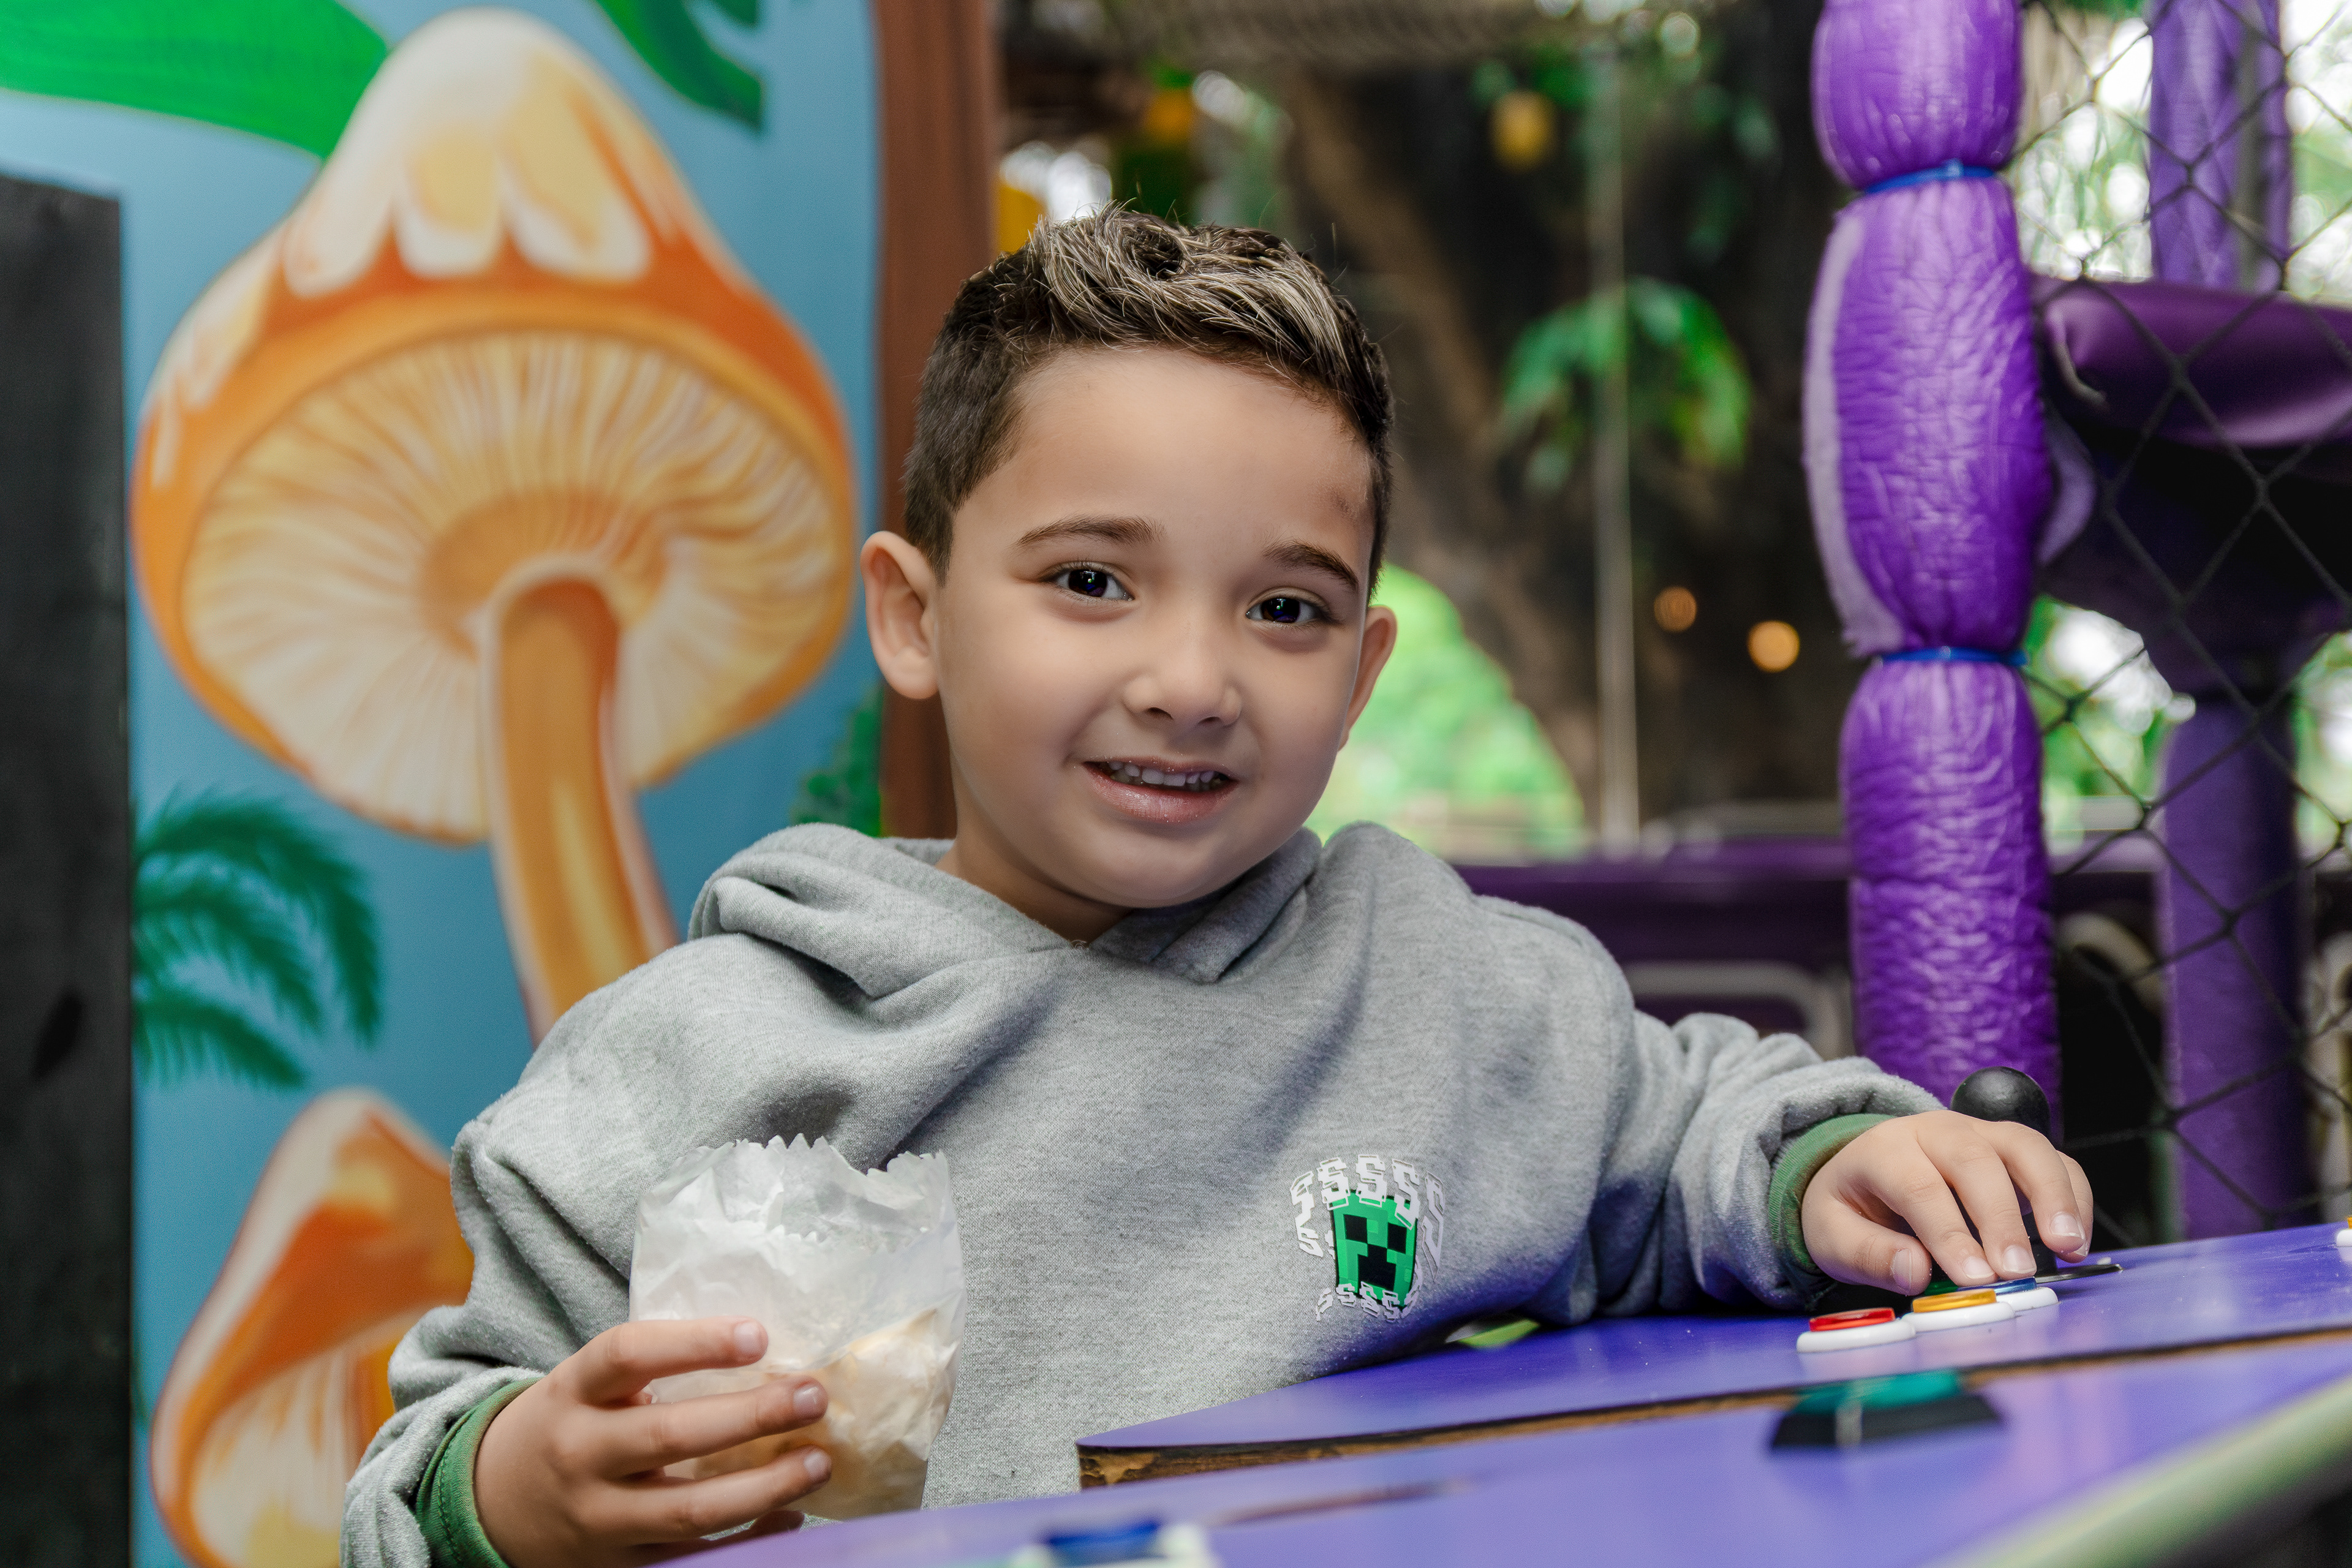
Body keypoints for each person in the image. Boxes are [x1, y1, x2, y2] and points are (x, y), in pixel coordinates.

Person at [342, 211, 2094, 1568]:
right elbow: (419, 1483)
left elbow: (1684, 1142)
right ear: (914, 616)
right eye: (1093, 578)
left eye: (1287, 606)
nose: (1194, 677)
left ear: (1365, 660)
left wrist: (1839, 1167)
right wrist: (529, 1485)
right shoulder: (695, 1054)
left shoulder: (1442, 987)